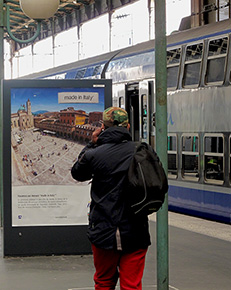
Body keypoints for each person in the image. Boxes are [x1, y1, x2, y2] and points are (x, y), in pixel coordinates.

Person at [71, 107, 151, 290]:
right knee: (132, 284)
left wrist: (92, 143)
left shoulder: (94, 154)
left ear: (103, 127)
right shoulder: (143, 151)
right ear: (128, 126)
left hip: (103, 230)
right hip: (136, 230)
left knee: (104, 282)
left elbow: (77, 173)